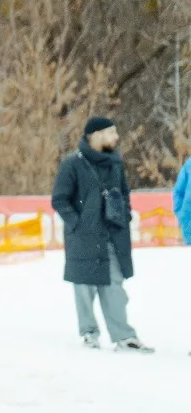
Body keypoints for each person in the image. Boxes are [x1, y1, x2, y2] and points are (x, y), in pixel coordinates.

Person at [53, 117, 152, 352]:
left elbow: (125, 195)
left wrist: (124, 215)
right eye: (110, 133)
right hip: (84, 238)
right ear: (94, 135)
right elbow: (59, 199)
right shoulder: (72, 165)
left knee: (115, 286)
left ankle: (124, 336)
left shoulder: (116, 164)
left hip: (113, 237)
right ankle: (88, 333)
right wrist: (78, 223)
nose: (116, 137)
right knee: (84, 287)